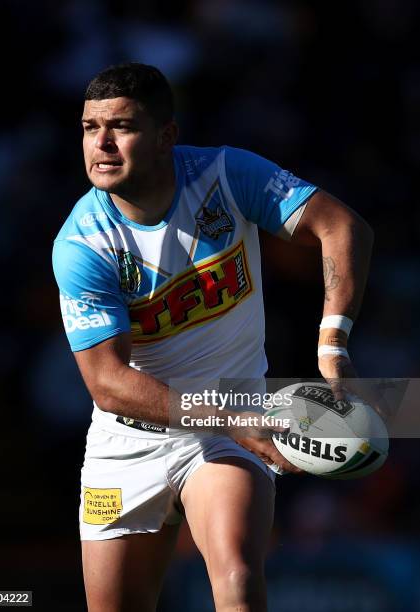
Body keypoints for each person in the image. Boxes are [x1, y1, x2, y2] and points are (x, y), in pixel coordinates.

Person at [52, 62, 373, 612]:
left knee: (239, 583)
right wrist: (231, 418)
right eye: (89, 127)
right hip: (130, 441)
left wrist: (332, 343)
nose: (101, 143)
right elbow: (108, 385)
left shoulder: (225, 175)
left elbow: (342, 228)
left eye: (122, 126)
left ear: (166, 136)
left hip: (232, 420)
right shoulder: (83, 243)